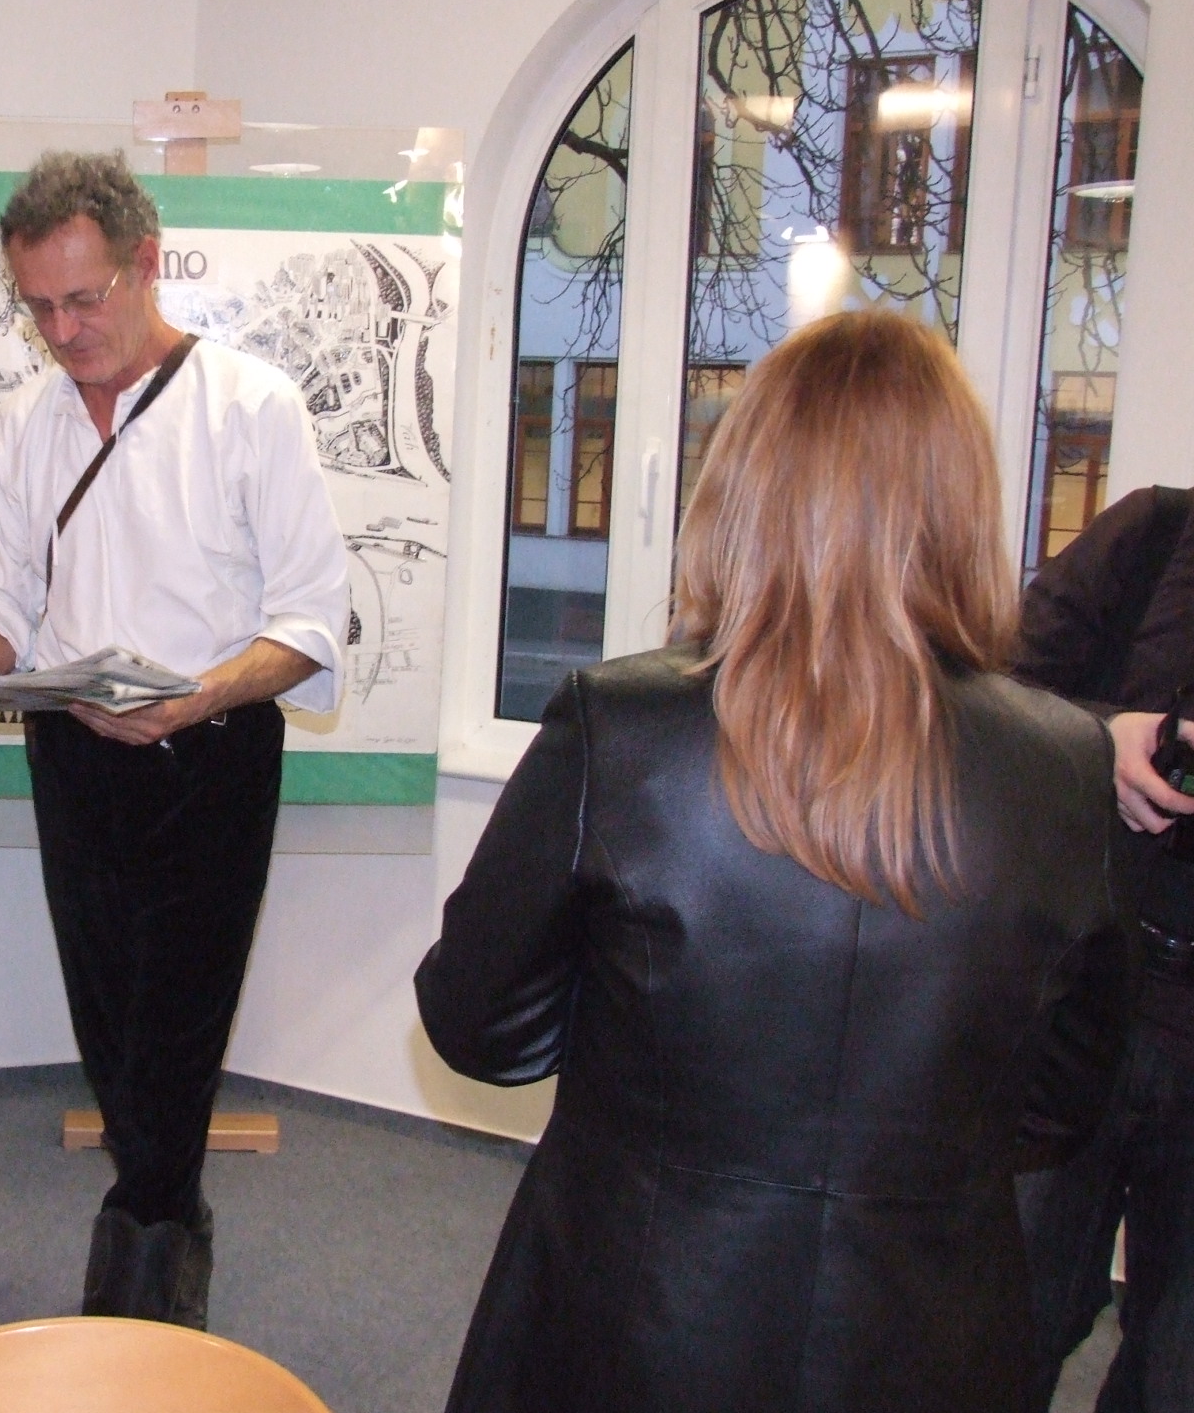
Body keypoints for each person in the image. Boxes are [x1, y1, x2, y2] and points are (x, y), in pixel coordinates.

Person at [414, 309, 1129, 1413]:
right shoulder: (1066, 764)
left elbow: (479, 1027)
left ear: (738, 490)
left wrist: (626, 1043)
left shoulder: (619, 728)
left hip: (632, 1316)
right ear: (964, 509)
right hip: (927, 1339)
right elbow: (1060, 1100)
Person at [0, 151, 349, 1328]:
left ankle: (141, 1264)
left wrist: (192, 699)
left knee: (178, 1025)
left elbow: (308, 623)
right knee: (106, 1022)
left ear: (146, 264)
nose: (61, 331)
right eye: (37, 306)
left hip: (210, 754)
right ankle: (163, 1234)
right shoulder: (19, 425)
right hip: (72, 754)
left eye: (82, 298)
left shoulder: (249, 407)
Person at [1013, 484, 1194, 1411]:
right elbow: (989, 702)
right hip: (1080, 1009)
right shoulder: (1155, 536)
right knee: (1010, 1325)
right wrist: (1101, 740)